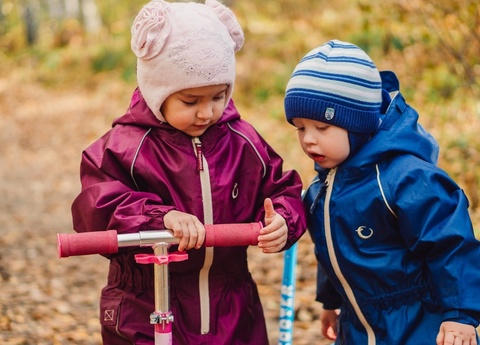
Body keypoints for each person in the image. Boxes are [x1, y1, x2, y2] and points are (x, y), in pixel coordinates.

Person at [71, 0, 307, 344]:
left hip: (231, 303)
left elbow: (280, 188)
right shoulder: (125, 146)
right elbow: (97, 205)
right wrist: (159, 217)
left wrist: (283, 220)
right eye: (190, 101)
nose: (206, 112)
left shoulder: (242, 141)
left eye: (219, 96)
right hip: (146, 302)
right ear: (157, 90)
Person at [284, 39, 480, 345]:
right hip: (358, 325)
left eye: (322, 128)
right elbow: (332, 249)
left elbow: (451, 245)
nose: (308, 139)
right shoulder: (322, 188)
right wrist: (332, 302)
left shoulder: (406, 180)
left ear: (358, 125)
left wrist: (459, 315)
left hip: (420, 326)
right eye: (300, 127)